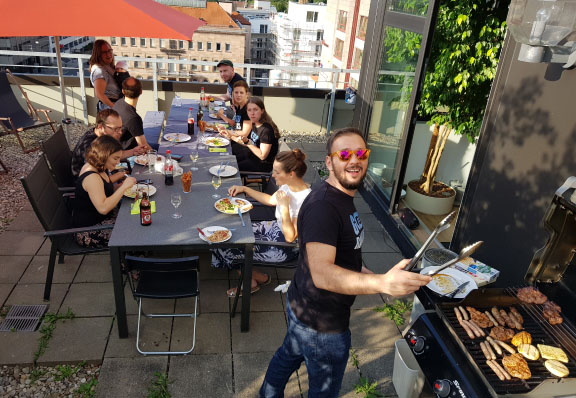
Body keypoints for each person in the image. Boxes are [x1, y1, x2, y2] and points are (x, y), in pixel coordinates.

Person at [259, 128, 433, 398]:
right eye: (344, 154)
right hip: (322, 324)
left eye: (361, 153)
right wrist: (383, 283)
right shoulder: (324, 207)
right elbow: (323, 274)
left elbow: (342, 256)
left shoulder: (341, 198)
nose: (354, 160)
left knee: (288, 355)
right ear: (329, 162)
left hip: (302, 306)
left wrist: (379, 278)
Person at [212, 149, 311, 298]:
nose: (273, 175)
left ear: (291, 174)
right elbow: (271, 200)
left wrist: (284, 208)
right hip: (273, 229)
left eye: (277, 172)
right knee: (221, 235)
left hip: (285, 246)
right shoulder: (288, 185)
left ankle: (250, 282)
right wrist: (244, 189)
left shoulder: (305, 199)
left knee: (227, 246)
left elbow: (290, 237)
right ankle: (259, 277)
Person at [73, 135, 137, 248]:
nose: (118, 162)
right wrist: (123, 188)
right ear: (104, 155)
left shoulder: (98, 166)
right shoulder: (92, 177)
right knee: (135, 230)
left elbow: (104, 188)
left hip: (103, 219)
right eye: (115, 158)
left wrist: (119, 185)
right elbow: (103, 208)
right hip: (90, 230)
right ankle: (127, 261)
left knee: (138, 215)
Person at [71, 109, 146, 179]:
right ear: (100, 126)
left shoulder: (98, 135)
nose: (120, 132)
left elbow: (110, 156)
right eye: (116, 129)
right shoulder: (91, 147)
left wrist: (133, 151)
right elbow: (98, 180)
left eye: (121, 128)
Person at [227, 97, 279, 173]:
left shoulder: (266, 130)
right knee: (228, 157)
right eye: (249, 110)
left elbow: (262, 156)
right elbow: (250, 144)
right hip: (252, 155)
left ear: (262, 111)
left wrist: (248, 142)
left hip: (262, 165)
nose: (252, 113)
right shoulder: (254, 123)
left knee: (231, 168)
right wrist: (230, 136)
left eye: (255, 109)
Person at [113, 77, 152, 151]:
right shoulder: (133, 118)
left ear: (123, 91)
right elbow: (144, 148)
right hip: (127, 153)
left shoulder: (119, 103)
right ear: (141, 91)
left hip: (116, 148)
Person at [90, 39, 122, 111]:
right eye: (104, 52)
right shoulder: (99, 71)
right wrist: (114, 107)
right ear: (98, 54)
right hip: (109, 110)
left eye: (109, 50)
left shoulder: (107, 67)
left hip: (114, 106)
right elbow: (99, 94)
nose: (108, 54)